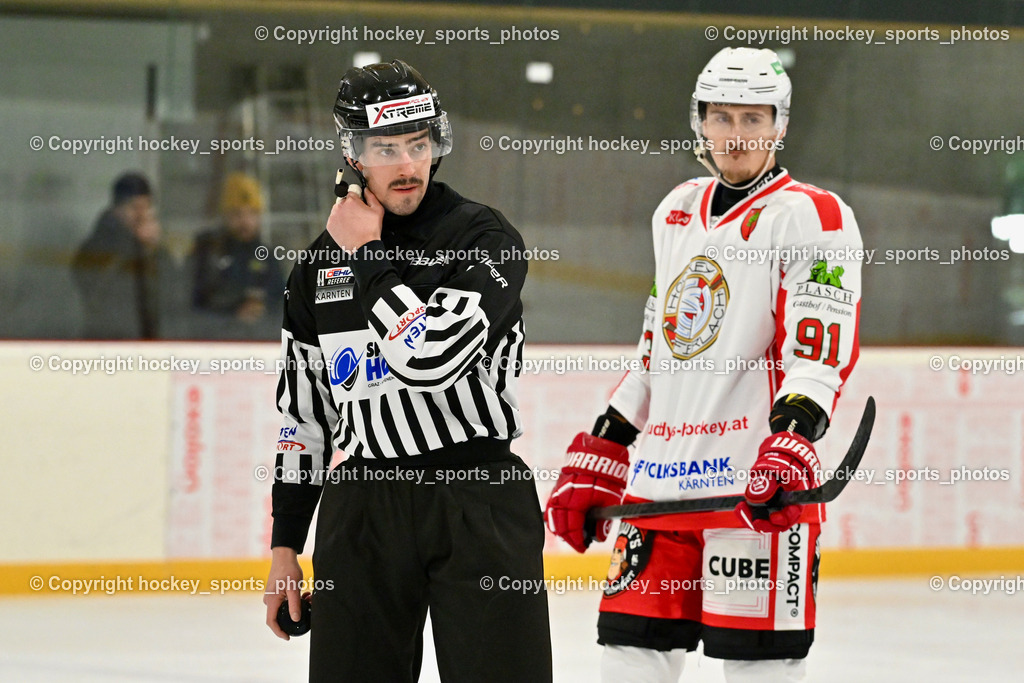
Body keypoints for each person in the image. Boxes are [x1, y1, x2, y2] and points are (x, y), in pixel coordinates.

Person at [545, 47, 862, 682]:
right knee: (626, 659)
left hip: (754, 491)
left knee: (757, 671)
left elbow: (818, 348)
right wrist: (608, 440)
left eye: (753, 118)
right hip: (659, 490)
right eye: (722, 117)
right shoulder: (676, 209)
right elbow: (658, 344)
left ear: (780, 125)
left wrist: (794, 438)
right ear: (701, 122)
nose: (736, 135)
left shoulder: (812, 215)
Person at [263, 60, 552, 682]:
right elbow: (304, 418)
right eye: (385, 148)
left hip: (477, 498)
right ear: (353, 154)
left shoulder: (483, 238)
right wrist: (286, 543)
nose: (407, 164)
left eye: (418, 144)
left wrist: (367, 255)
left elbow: (431, 356)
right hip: (364, 506)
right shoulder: (315, 269)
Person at [72, 172, 178, 339]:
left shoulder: (153, 249)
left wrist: (153, 250)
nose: (141, 216)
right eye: (134, 208)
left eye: (146, 207)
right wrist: (137, 246)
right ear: (117, 210)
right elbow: (100, 292)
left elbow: (173, 290)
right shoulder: (96, 247)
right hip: (107, 340)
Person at [189, 172, 283, 339]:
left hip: (261, 341)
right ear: (226, 215)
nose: (245, 221)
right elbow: (195, 306)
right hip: (215, 342)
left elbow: (281, 302)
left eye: (252, 213)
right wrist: (233, 313)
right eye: (237, 213)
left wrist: (263, 309)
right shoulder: (208, 253)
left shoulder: (267, 256)